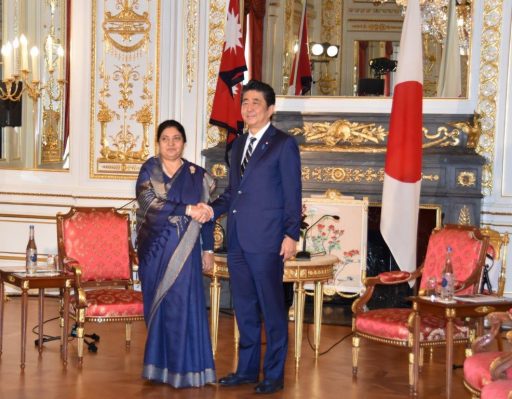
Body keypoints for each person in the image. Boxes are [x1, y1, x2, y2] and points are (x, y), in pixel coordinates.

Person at [209, 80, 302, 394]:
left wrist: (291, 234)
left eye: (256, 103)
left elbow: (293, 194)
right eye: (245, 102)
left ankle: (273, 375)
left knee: (272, 310)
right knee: (245, 309)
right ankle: (247, 371)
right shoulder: (236, 146)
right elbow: (234, 193)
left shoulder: (283, 145)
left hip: (267, 241)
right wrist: (210, 210)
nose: (248, 108)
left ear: (270, 110)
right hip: (237, 241)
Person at [136, 119, 216, 388]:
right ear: (157, 143)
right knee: (160, 309)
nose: (171, 143)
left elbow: (207, 215)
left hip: (188, 252)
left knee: (186, 307)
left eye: (176, 138)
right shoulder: (149, 170)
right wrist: (187, 209)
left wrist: (208, 249)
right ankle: (158, 368)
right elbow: (149, 203)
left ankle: (189, 369)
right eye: (165, 139)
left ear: (184, 142)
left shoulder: (197, 175)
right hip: (155, 252)